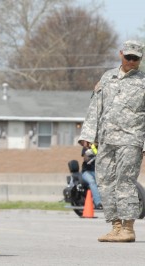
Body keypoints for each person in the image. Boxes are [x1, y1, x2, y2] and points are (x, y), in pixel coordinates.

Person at [79, 40, 145, 242]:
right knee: (105, 181)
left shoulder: (143, 82)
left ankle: (128, 228)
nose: (131, 61)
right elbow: (95, 107)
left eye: (136, 58)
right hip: (106, 140)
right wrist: (88, 135)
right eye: (128, 57)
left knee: (125, 181)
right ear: (121, 54)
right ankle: (115, 226)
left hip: (131, 139)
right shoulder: (107, 78)